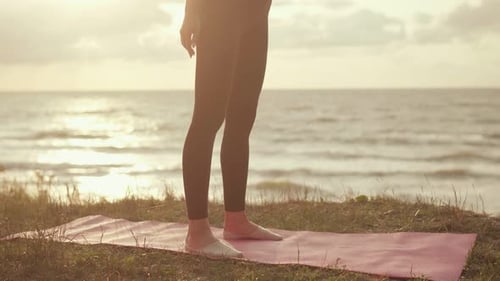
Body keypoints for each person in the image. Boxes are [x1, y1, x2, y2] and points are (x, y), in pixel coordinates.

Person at [180, 0, 282, 258]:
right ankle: (197, 233)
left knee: (242, 118)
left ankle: (236, 221)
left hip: (257, 13)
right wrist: (190, 12)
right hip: (218, 11)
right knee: (208, 118)